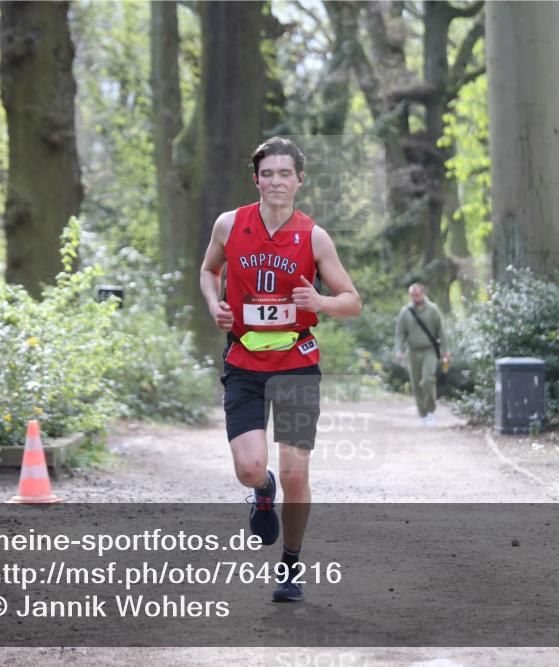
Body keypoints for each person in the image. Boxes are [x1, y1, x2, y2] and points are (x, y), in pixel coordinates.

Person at [199, 137, 362, 602]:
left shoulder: (314, 236)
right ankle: (261, 491)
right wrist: (215, 306)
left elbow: (353, 301)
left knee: (297, 474)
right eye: (267, 173)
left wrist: (321, 301)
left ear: (299, 180)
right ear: (256, 179)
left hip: (296, 366)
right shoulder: (230, 225)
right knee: (251, 469)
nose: (275, 182)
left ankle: (290, 565)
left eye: (284, 174)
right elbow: (209, 272)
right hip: (244, 363)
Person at [394, 283, 449, 426]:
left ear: (423, 294)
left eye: (417, 294)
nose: (415, 297)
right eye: (412, 295)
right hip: (412, 351)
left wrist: (445, 351)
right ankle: (423, 414)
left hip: (429, 350)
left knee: (427, 380)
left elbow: (441, 332)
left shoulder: (433, 310)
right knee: (416, 384)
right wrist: (399, 350)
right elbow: (400, 334)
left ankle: (430, 411)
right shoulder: (405, 312)